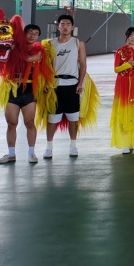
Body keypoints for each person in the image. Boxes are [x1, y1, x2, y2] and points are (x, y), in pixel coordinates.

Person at [0, 23, 47, 164]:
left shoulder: (39, 51)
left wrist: (14, 50)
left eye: (35, 34)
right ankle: (11, 154)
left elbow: (33, 61)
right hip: (12, 90)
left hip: (28, 91)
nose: (32, 36)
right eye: (30, 32)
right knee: (11, 123)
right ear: (24, 34)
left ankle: (31, 153)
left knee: (29, 123)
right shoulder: (13, 47)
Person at [43, 14, 87, 159]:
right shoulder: (51, 44)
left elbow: (83, 64)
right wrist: (47, 82)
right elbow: (47, 65)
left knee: (73, 119)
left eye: (68, 24)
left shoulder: (78, 43)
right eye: (62, 24)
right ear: (58, 27)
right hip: (55, 85)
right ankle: (49, 147)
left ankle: (73, 146)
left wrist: (80, 83)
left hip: (72, 85)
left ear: (72, 27)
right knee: (52, 119)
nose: (65, 27)